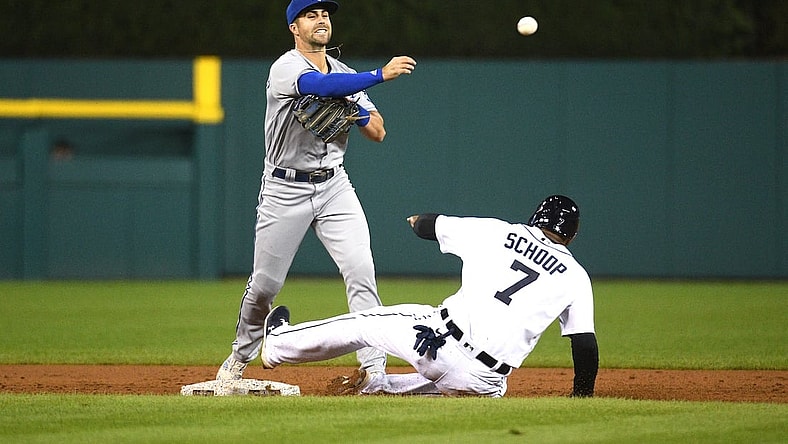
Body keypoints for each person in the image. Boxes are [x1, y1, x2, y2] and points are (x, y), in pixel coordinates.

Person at [216, 0, 417, 381]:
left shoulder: (345, 73)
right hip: (283, 187)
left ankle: (374, 370)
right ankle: (238, 361)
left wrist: (356, 111)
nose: (321, 19)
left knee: (361, 271)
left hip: (334, 186)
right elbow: (317, 86)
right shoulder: (286, 67)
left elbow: (378, 132)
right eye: (310, 14)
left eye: (325, 14)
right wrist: (378, 74)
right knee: (265, 286)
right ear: (294, 27)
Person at [259, 195, 599, 397]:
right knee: (487, 383)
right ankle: (379, 386)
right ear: (571, 235)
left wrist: (416, 220)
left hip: (436, 343)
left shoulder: (501, 231)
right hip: (484, 381)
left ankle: (277, 345)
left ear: (535, 217)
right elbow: (585, 346)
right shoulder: (576, 276)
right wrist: (581, 398)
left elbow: (427, 225)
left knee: (363, 324)